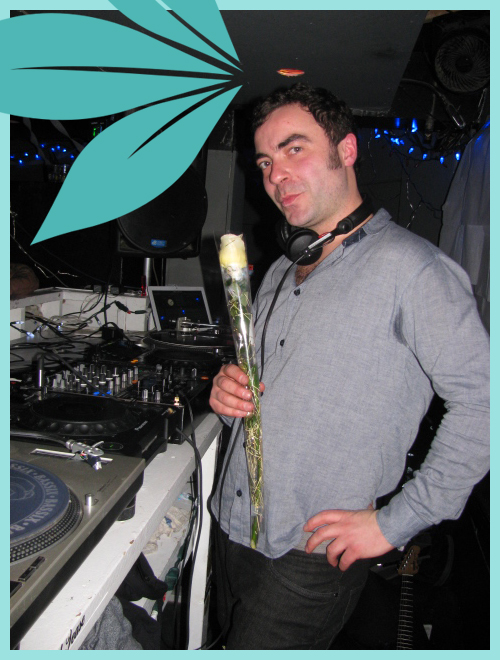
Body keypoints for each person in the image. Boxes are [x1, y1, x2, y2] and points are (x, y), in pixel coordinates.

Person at [209, 84, 489, 650]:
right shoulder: (282, 270)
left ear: (347, 150)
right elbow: (270, 381)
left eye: (294, 149)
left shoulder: (414, 270)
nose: (275, 175)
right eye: (264, 162)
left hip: (309, 555)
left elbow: (486, 403)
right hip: (232, 526)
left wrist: (395, 522)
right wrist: (228, 390)